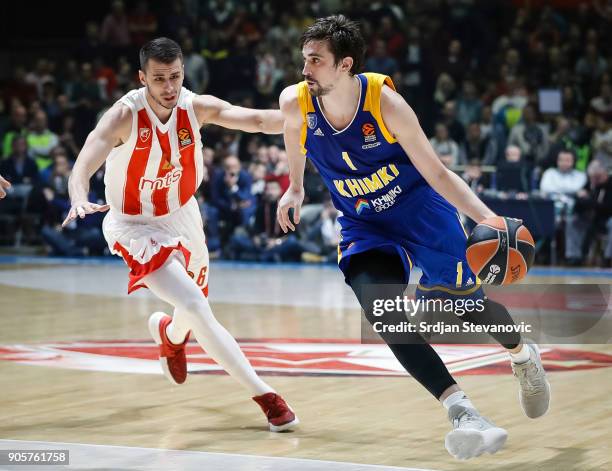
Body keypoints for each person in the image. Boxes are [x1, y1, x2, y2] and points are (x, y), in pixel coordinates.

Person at [277, 16, 550, 460]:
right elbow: (294, 134)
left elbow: (438, 173)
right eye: (304, 59)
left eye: (315, 60)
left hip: (421, 213)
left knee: (466, 306)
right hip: (363, 224)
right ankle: (463, 411)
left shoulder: (386, 104)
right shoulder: (296, 101)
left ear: (345, 65)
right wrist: (294, 185)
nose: (305, 69)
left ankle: (521, 353)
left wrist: (488, 218)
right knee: (382, 313)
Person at [62, 37, 297, 432]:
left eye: (174, 77)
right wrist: (78, 198)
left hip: (183, 216)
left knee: (191, 308)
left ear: (183, 73)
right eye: (159, 79)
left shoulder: (194, 106)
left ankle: (169, 336)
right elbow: (83, 162)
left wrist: (309, 116)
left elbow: (257, 120)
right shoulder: (124, 116)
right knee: (195, 304)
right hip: (134, 224)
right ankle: (267, 398)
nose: (169, 87)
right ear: (142, 78)